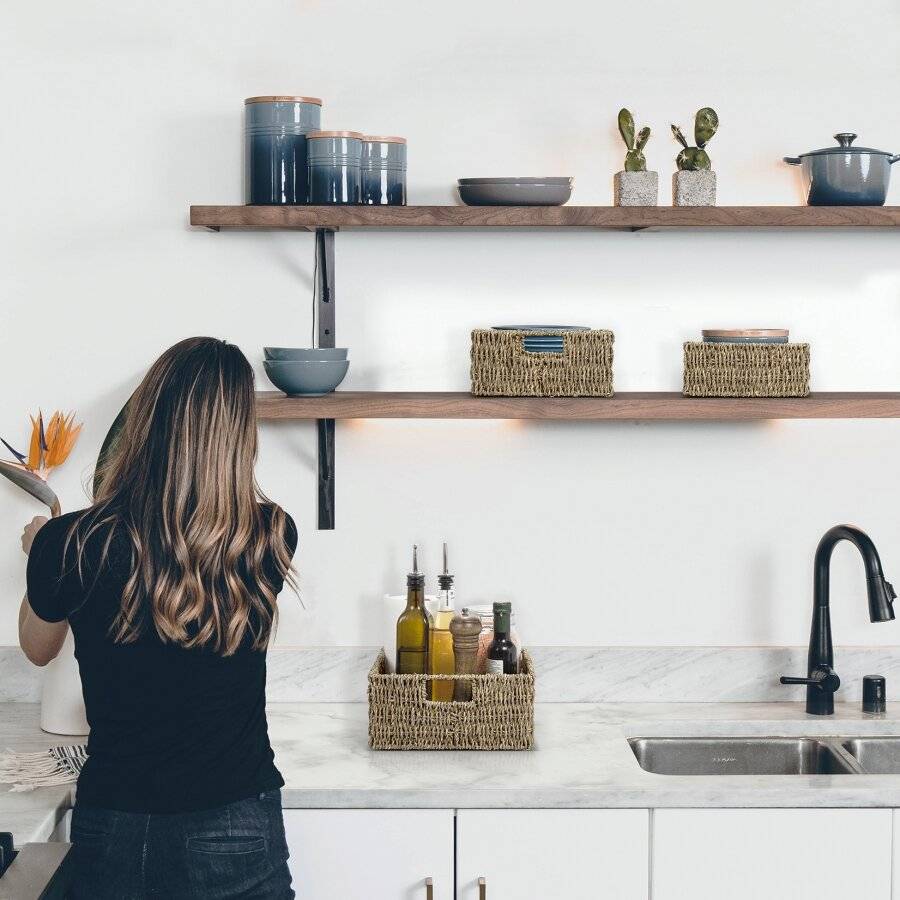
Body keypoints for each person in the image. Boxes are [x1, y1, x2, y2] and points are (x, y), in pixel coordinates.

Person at [19, 337, 298, 899]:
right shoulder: (268, 534)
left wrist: (39, 554)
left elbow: (37, 647)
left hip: (116, 819)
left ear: (144, 419)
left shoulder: (70, 541)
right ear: (239, 433)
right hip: (236, 819)